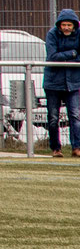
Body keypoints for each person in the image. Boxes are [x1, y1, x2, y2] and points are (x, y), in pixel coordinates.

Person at [43, 9, 80, 154]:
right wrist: (73, 53)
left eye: (69, 25)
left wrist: (63, 56)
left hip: (74, 83)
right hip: (53, 83)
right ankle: (56, 148)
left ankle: (76, 147)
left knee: (75, 116)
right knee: (53, 117)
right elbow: (52, 56)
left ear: (74, 26)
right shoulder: (52, 34)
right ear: (59, 25)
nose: (66, 28)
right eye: (64, 25)